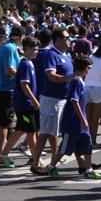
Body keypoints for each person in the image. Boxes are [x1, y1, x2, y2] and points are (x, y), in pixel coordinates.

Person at [48, 56, 101, 179]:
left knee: (87, 144)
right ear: (84, 68)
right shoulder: (76, 81)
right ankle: (51, 166)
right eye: (89, 68)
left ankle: (88, 169)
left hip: (80, 122)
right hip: (72, 121)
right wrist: (83, 119)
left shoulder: (80, 81)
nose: (89, 70)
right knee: (65, 147)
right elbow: (74, 101)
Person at [32, 28, 73, 172]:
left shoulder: (66, 55)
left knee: (53, 132)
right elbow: (51, 76)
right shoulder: (51, 54)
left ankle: (53, 160)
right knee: (46, 133)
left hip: (62, 98)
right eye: (66, 38)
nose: (69, 40)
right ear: (58, 40)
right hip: (51, 99)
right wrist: (69, 78)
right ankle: (36, 163)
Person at [0, 27, 21, 168]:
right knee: (4, 123)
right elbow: (10, 69)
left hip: (0, 88)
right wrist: (22, 77)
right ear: (19, 37)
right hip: (6, 89)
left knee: (2, 122)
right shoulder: (10, 48)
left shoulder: (3, 47)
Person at [13, 36, 43, 174]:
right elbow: (24, 85)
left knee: (24, 130)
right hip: (25, 104)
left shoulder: (30, 63)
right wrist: (34, 100)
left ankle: (3, 153)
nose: (37, 52)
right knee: (31, 132)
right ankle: (36, 160)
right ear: (27, 49)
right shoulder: (25, 64)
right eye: (35, 49)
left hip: (28, 104)